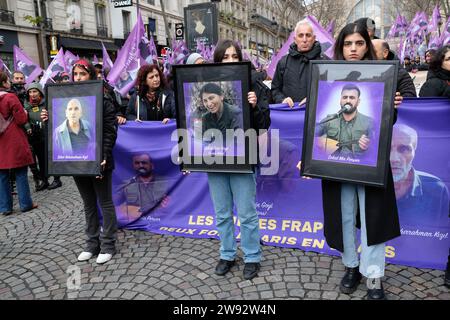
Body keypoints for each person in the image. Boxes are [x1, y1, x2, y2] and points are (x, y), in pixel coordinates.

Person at [314, 22, 404, 300]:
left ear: (368, 44)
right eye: (347, 44)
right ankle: (351, 266)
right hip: (338, 167)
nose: (353, 49)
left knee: (372, 218)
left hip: (372, 166)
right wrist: (313, 156)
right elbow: (316, 131)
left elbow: (386, 125)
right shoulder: (326, 77)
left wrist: (394, 105)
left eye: (359, 43)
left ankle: (374, 275)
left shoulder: (385, 75)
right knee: (343, 216)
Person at [41, 59, 118, 264]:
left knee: (105, 201)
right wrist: (48, 119)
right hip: (76, 162)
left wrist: (104, 155)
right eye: (75, 74)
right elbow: (54, 136)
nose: (78, 78)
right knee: (88, 203)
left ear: (91, 76)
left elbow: (110, 131)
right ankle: (92, 244)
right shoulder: (67, 99)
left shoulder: (103, 100)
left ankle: (108, 243)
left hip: (99, 161)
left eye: (82, 74)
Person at [207, 39, 271, 280]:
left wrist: (254, 107)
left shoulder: (252, 81)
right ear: (218, 60)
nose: (231, 61)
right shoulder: (208, 85)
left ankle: (252, 256)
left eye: (235, 56)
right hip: (215, 159)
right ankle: (227, 253)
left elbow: (265, 124)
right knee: (221, 212)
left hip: (243, 157)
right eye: (225, 57)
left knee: (246, 212)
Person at [390, 124, 449, 226]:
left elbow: (443, 233)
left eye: (404, 149)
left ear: (414, 152)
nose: (393, 158)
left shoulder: (436, 189)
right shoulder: (366, 186)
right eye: (386, 148)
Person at [0, 70, 37, 215]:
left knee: (2, 175)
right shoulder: (10, 97)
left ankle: (5, 207)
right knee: (21, 171)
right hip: (13, 138)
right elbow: (21, 119)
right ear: (4, 83)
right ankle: (25, 204)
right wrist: (26, 114)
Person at [271, 19, 327, 107]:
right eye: (301, 35)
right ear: (295, 39)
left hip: (316, 116)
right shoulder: (283, 62)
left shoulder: (325, 63)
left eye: (308, 35)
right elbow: (275, 89)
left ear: (313, 38)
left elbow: (330, 90)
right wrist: (282, 99)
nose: (304, 39)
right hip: (291, 115)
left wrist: (314, 98)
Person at [316, 84, 374, 160]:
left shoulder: (369, 122)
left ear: (358, 101)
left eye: (352, 98)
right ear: (340, 100)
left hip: (357, 166)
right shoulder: (329, 119)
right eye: (345, 97)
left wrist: (369, 147)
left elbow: (377, 148)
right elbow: (311, 134)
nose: (348, 101)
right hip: (332, 165)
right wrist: (318, 143)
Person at [114, 153, 168, 224]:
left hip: (160, 222)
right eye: (137, 163)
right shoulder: (127, 184)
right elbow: (113, 204)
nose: (141, 165)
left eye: (144, 163)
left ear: (152, 165)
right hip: (135, 223)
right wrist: (124, 210)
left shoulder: (166, 182)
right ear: (133, 165)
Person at [23, 82, 50, 191]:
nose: (32, 94)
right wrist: (28, 126)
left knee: (45, 158)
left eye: (35, 91)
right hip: (34, 136)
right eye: (30, 92)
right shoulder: (26, 104)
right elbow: (24, 119)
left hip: (46, 134)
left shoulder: (45, 103)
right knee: (37, 158)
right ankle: (42, 179)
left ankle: (53, 178)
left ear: (40, 92)